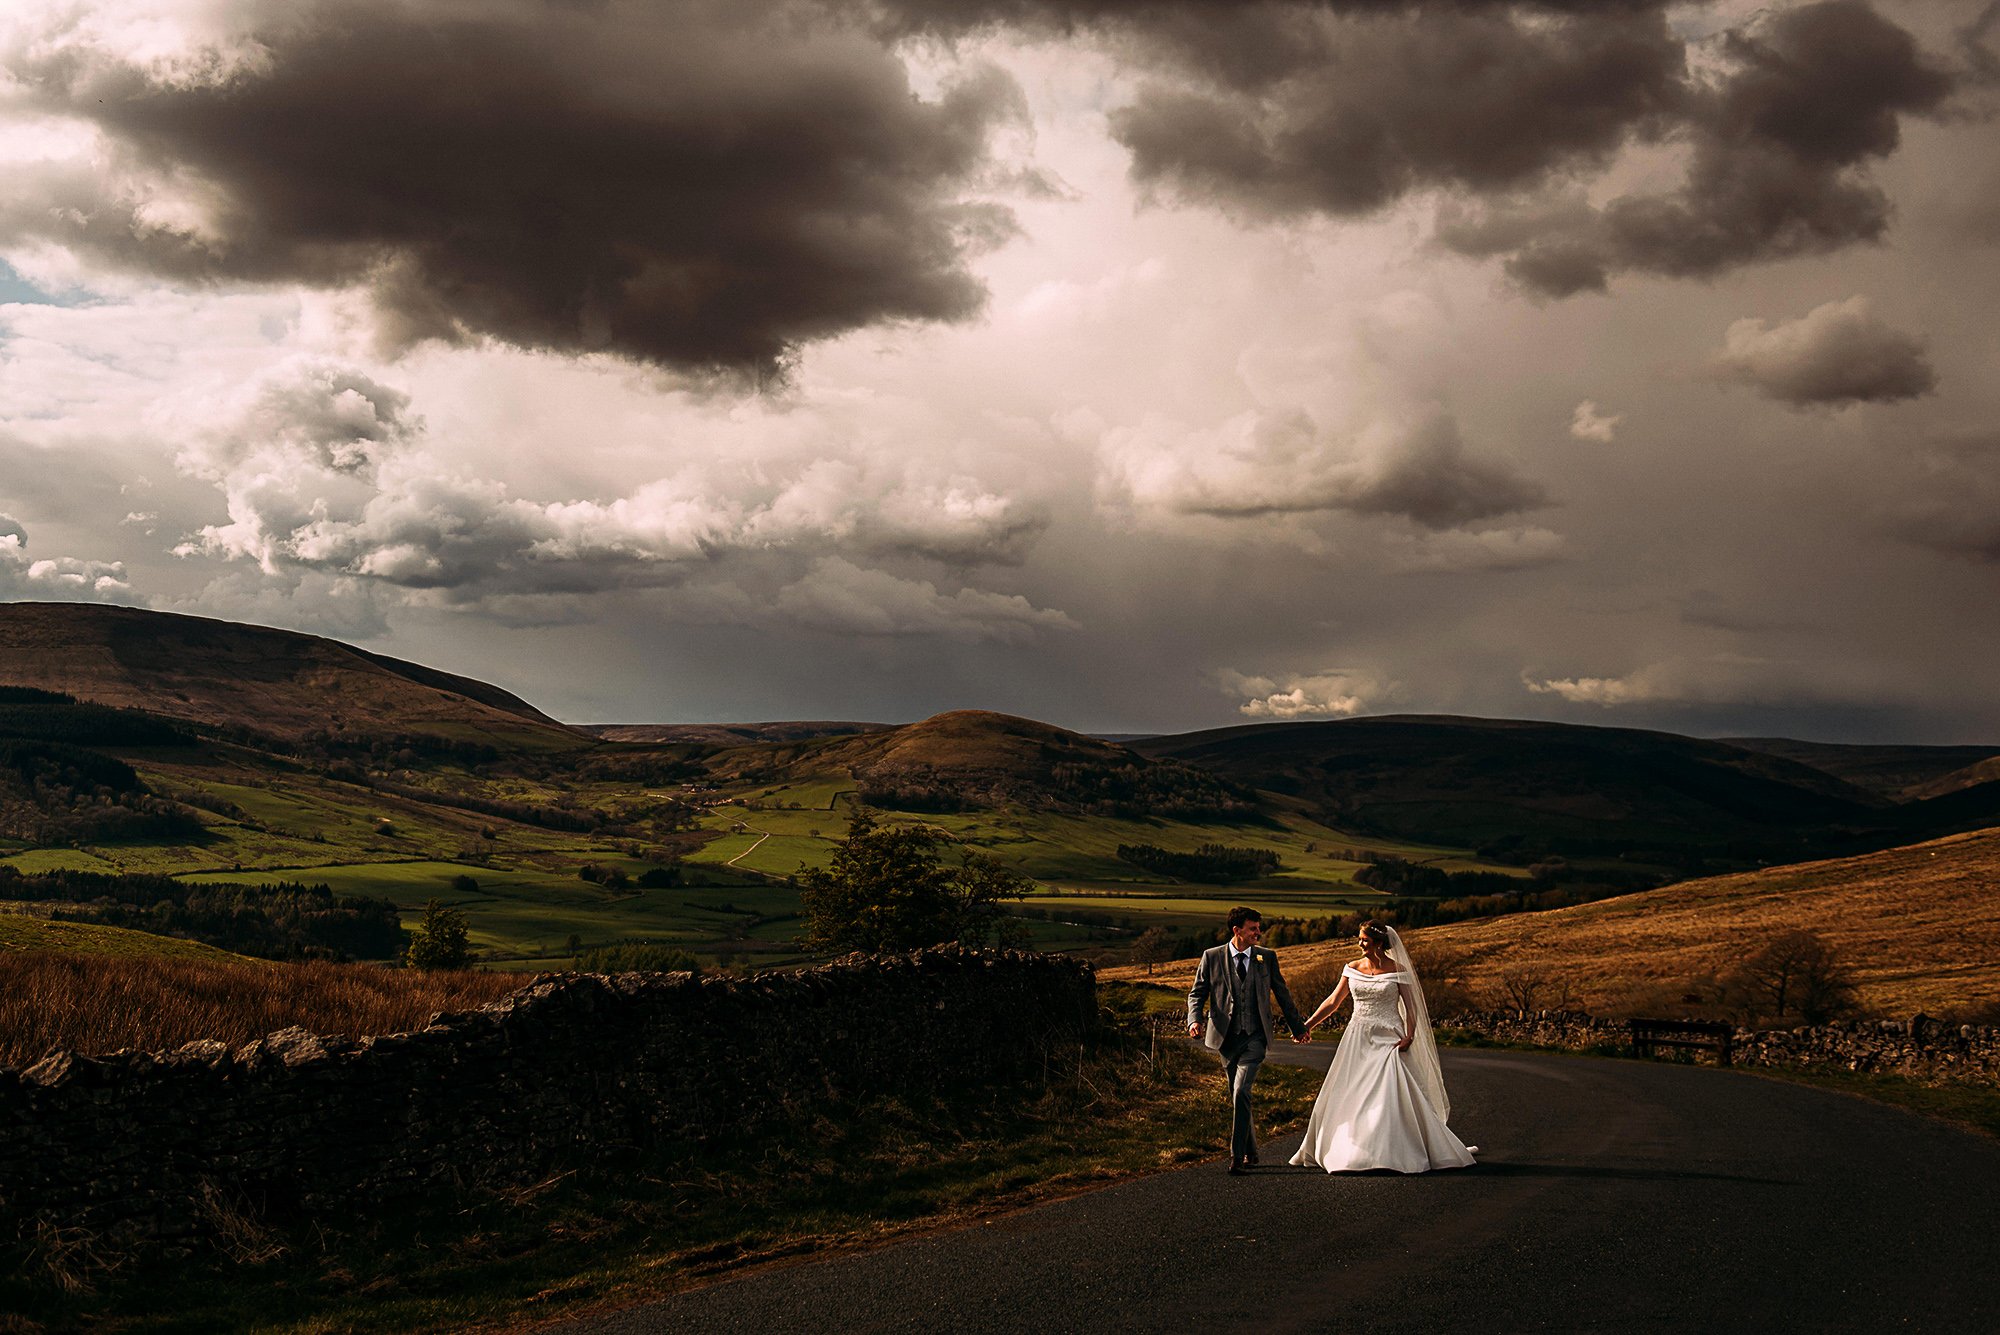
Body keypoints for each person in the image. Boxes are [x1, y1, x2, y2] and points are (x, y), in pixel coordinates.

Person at [1290, 920, 1476, 1173]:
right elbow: (1333, 1001)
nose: (1360, 943)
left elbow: (1412, 1008)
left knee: (1387, 1090)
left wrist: (1409, 1035)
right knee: (1353, 1090)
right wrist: (1306, 1026)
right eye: (1359, 938)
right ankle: (1354, 1149)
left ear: (1378, 943)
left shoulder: (1398, 970)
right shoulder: (1352, 968)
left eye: (1364, 940)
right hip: (1358, 1037)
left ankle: (1392, 1150)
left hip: (1389, 1038)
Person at [1187, 906, 1310, 1175]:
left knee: (1242, 1091)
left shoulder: (1266, 957)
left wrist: (1298, 1027)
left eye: (1258, 928)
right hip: (1225, 1039)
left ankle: (1237, 1156)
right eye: (1253, 928)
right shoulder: (1212, 957)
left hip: (1256, 1037)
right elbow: (1197, 992)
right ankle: (1252, 1151)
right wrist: (1194, 1019)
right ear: (1237, 930)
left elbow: (1282, 994)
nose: (1258, 933)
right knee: (1237, 1096)